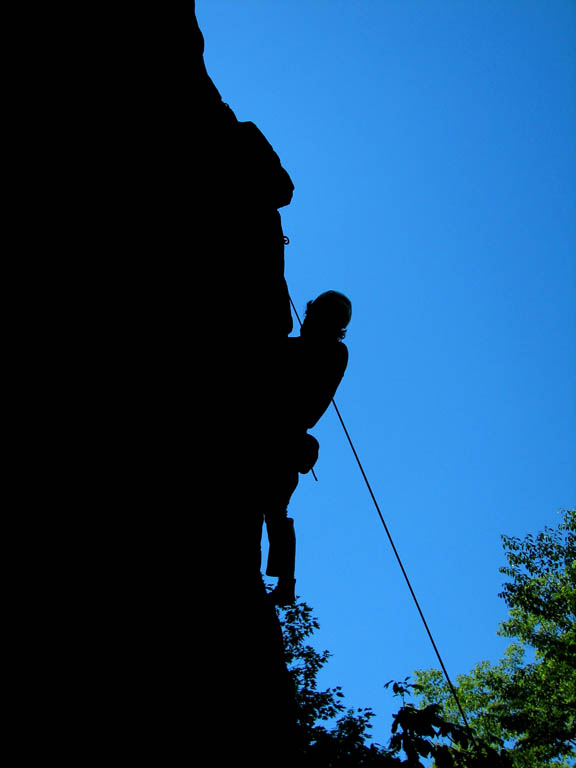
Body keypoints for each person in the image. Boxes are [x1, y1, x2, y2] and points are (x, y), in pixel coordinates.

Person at [266, 291, 352, 605]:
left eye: (314, 317)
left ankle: (286, 583)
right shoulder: (307, 350)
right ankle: (285, 583)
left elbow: (310, 410)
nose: (307, 322)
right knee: (275, 511)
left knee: (274, 511)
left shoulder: (331, 353)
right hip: (286, 440)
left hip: (284, 439)